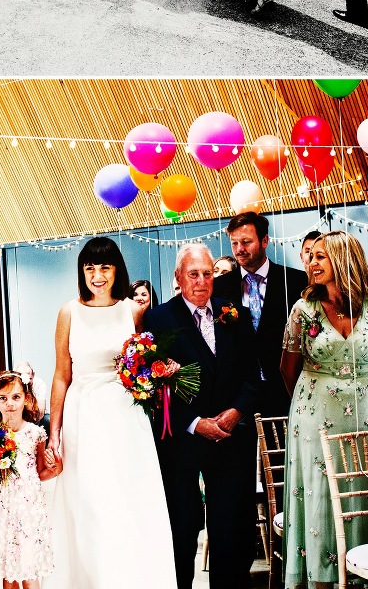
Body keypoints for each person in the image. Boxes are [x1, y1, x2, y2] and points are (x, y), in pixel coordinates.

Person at [45, 237, 177, 589]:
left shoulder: (131, 311)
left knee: (127, 500)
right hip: (82, 415)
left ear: (116, 270)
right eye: (90, 267)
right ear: (82, 272)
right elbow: (61, 375)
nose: (97, 275)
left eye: (104, 267)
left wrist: (158, 371)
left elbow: (142, 363)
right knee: (89, 502)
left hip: (124, 417)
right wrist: (53, 432)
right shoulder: (68, 312)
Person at [144, 243, 260, 589]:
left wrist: (236, 411)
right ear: (179, 278)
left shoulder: (233, 312)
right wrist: (196, 423)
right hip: (183, 440)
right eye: (193, 274)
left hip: (231, 437)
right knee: (183, 525)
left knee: (230, 527)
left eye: (207, 273)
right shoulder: (158, 319)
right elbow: (154, 385)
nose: (201, 281)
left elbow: (254, 375)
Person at [280, 231, 368, 589]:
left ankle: (366, 571)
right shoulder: (303, 310)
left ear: (344, 259)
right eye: (312, 257)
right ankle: (322, 576)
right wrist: (310, 403)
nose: (312, 263)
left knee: (367, 486)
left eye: (321, 257)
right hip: (314, 415)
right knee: (320, 490)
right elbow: (287, 369)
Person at [0, 370, 60, 589]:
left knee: (29, 567)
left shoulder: (35, 434)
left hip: (27, 507)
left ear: (26, 399)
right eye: (3, 398)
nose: (10, 403)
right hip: (1, 508)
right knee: (8, 570)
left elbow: (40, 473)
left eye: (16, 397)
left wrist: (54, 467)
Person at [215, 212, 307, 418]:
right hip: (237, 398)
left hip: (286, 390)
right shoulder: (219, 288)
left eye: (246, 242)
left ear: (265, 240)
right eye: (234, 243)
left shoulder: (295, 281)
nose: (240, 250)